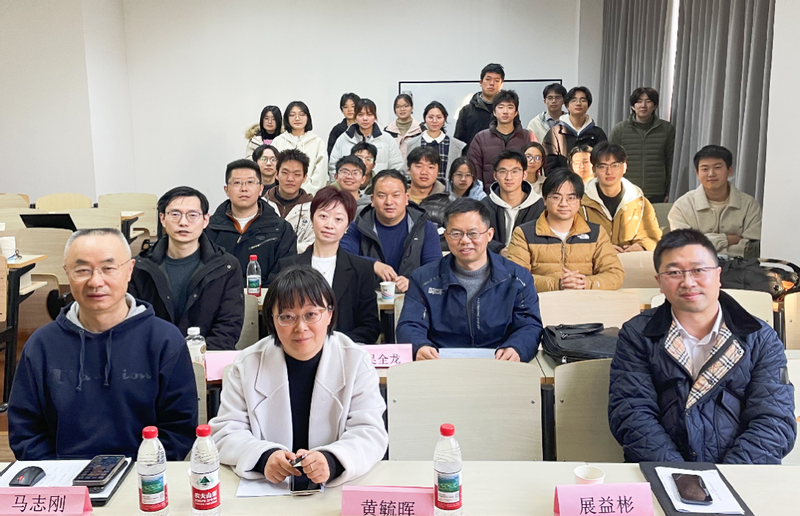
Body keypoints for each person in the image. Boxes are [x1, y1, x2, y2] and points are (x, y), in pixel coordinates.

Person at [608, 229, 796, 463]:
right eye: (674, 272)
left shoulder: (759, 337)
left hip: (741, 472)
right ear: (659, 282)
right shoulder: (638, 334)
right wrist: (680, 475)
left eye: (698, 270)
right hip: (661, 471)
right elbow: (632, 414)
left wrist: (730, 474)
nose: (688, 282)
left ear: (718, 275)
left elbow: (774, 420)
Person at [9, 228, 198, 460]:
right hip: (63, 476)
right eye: (82, 270)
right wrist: (60, 474)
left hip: (143, 473)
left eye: (108, 268)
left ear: (129, 270)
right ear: (67, 273)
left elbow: (179, 429)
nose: (96, 281)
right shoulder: (42, 345)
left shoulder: (164, 340)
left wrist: (143, 471)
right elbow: (25, 431)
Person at [209, 267, 388, 486]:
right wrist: (264, 457)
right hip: (268, 489)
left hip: (336, 489)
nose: (300, 327)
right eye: (287, 317)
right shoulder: (247, 364)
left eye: (311, 315)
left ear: (329, 314)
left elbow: (370, 432)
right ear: (272, 320)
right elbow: (225, 432)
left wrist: (332, 460)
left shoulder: (356, 361)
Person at [396, 198, 543, 362]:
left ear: (489, 235)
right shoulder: (423, 278)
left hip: (500, 363)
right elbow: (409, 324)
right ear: (446, 236)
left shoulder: (518, 278)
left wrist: (516, 348)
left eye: (473, 233)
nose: (465, 240)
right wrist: (420, 346)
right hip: (440, 363)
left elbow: (529, 325)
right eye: (456, 234)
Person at [129, 186, 244, 350]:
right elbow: (134, 323)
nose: (183, 222)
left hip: (207, 357)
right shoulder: (140, 267)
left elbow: (228, 326)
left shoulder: (226, 266)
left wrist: (197, 356)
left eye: (192, 215)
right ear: (162, 218)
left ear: (205, 220)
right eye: (175, 214)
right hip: (154, 357)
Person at [274, 187, 381, 343]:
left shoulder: (362, 269)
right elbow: (278, 318)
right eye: (323, 216)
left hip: (344, 350)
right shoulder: (287, 267)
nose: (329, 225)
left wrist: (332, 343)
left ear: (347, 226)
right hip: (298, 347)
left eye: (338, 219)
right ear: (312, 218)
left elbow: (370, 326)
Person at [507, 169, 624, 292]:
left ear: (580, 200)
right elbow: (515, 276)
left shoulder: (596, 233)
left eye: (571, 198)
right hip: (542, 301)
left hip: (586, 299)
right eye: (556, 197)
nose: (564, 203)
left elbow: (615, 274)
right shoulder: (524, 233)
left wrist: (585, 283)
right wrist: (557, 284)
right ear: (544, 200)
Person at [340, 169, 441, 292]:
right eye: (381, 196)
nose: (389, 202)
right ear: (372, 200)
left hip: (413, 298)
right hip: (368, 297)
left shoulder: (425, 227)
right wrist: (372, 264)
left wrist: (414, 283)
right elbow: (342, 256)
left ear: (406, 199)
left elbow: (435, 269)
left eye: (396, 195)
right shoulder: (359, 226)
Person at [207, 159, 297, 287]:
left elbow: (285, 274)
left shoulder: (281, 229)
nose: (244, 189)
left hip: (267, 297)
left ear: (261, 189)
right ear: (226, 190)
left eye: (250, 182)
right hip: (219, 297)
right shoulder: (209, 229)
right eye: (237, 183)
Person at [668, 145, 762, 257]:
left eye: (717, 167)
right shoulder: (683, 205)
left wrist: (702, 244)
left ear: (730, 170)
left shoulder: (749, 205)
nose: (711, 174)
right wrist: (726, 240)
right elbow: (684, 246)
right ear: (697, 173)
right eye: (705, 169)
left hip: (739, 266)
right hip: (696, 266)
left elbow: (753, 247)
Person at [581, 142, 662, 252]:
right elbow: (571, 239)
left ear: (624, 167)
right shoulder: (580, 203)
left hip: (631, 260)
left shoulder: (640, 203)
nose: (609, 172)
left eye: (615, 165)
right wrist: (600, 249)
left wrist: (641, 246)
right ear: (594, 170)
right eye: (602, 166)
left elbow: (654, 237)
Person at [609, 87, 676, 203]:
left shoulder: (666, 129)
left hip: (657, 192)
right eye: (639, 101)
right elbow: (610, 162)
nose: (643, 105)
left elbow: (671, 163)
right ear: (632, 106)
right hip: (626, 191)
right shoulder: (619, 130)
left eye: (648, 101)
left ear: (655, 106)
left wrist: (669, 191)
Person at [468, 90, 536, 193]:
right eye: (501, 107)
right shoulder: (480, 138)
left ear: (516, 113)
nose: (505, 111)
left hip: (521, 195)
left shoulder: (528, 136)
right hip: (488, 196)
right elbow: (474, 170)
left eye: (510, 107)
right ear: (494, 112)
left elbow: (535, 168)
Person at [481, 149, 545, 255]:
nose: (509, 177)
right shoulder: (483, 206)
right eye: (503, 171)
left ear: (524, 174)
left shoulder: (540, 206)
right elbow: (477, 237)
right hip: (493, 261)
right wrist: (499, 250)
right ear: (495, 175)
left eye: (515, 171)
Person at [329, 98, 404, 178]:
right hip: (349, 185)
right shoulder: (344, 139)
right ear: (355, 116)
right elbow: (333, 166)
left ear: (375, 116)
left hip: (379, 184)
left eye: (369, 114)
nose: (365, 118)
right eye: (360, 115)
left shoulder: (387, 139)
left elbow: (396, 166)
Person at [542, 86, 607, 170]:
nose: (578, 103)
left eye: (583, 100)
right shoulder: (555, 133)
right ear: (567, 105)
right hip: (563, 178)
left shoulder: (597, 133)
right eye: (574, 100)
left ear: (588, 105)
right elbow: (549, 165)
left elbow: (603, 161)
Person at [271, 101, 328, 195]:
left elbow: (320, 174)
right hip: (281, 195)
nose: (297, 118)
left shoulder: (318, 142)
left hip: (310, 196)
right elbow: (273, 169)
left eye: (302, 114)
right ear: (287, 118)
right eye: (292, 115)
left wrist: (304, 193)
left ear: (307, 117)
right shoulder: (278, 141)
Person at [266, 149, 315, 254]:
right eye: (285, 173)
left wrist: (285, 250)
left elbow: (313, 243)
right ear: (276, 174)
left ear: (304, 178)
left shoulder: (313, 208)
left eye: (297, 174)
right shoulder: (261, 205)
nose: (290, 179)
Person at [405, 101, 466, 181]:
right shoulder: (412, 144)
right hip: (420, 187)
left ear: (444, 119)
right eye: (430, 117)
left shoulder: (457, 146)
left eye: (439, 117)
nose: (434, 121)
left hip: (447, 188)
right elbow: (407, 171)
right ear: (425, 118)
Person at [454, 63, 505, 150]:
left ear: (501, 85)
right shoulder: (467, 111)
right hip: (473, 157)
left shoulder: (507, 111)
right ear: (481, 82)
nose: (492, 83)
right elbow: (458, 143)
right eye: (488, 79)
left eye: (496, 80)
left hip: (501, 158)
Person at [384, 93, 423, 159]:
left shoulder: (421, 129)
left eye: (406, 106)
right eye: (398, 107)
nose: (402, 109)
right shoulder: (387, 131)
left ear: (412, 108)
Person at [327, 92, 360, 158]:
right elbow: (331, 154)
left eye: (353, 106)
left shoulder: (364, 128)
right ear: (342, 109)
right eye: (345, 107)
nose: (349, 110)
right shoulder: (337, 130)